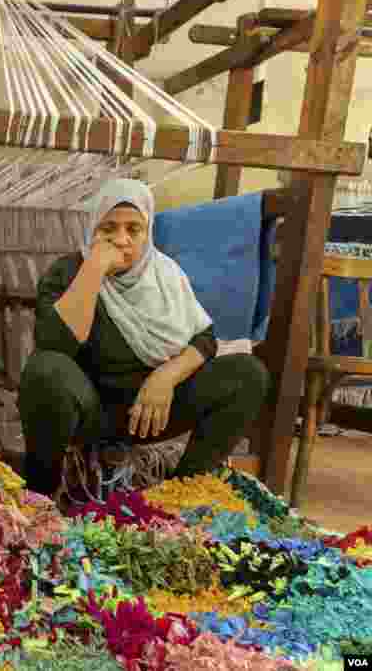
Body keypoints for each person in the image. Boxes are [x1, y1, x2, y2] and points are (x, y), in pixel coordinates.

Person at [18, 179, 269, 498]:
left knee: (247, 373)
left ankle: (183, 492)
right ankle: (41, 493)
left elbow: (205, 338)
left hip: (153, 413)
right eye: (108, 228)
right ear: (92, 228)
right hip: (90, 410)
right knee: (45, 369)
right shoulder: (68, 272)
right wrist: (94, 269)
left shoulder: (165, 274)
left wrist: (164, 378)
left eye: (133, 229)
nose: (121, 240)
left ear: (147, 232)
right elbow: (56, 344)